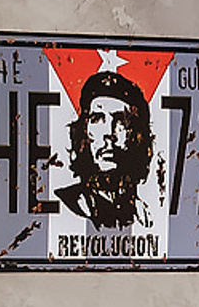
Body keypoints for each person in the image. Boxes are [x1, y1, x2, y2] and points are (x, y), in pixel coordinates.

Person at [57, 68, 158, 232]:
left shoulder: (143, 216)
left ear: (136, 136)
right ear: (84, 130)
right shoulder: (68, 203)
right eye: (97, 119)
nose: (109, 134)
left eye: (121, 121)